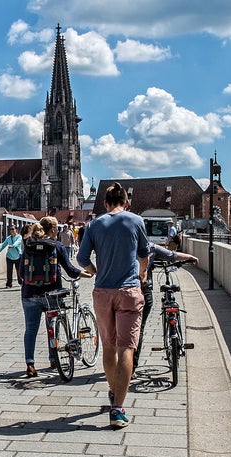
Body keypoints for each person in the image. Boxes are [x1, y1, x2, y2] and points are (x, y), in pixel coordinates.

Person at [76, 182, 150, 429]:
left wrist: (94, 271)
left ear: (105, 204)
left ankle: (112, 390)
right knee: (126, 348)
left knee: (108, 347)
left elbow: (81, 258)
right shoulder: (135, 220)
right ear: (126, 202)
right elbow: (144, 254)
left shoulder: (95, 224)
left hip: (103, 292)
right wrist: (143, 274)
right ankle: (117, 409)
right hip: (129, 291)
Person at [19, 216, 92, 378]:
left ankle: (30, 364)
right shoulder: (57, 246)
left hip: (29, 294)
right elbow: (71, 270)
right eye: (56, 228)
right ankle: (54, 359)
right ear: (52, 229)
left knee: (31, 329)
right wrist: (89, 274)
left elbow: (20, 274)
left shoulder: (28, 246)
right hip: (52, 294)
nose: (58, 230)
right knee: (53, 326)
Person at [134, 245, 198, 374]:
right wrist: (190, 257)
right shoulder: (149, 247)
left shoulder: (121, 245)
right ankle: (131, 369)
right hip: (143, 289)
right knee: (138, 328)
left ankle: (118, 364)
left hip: (118, 289)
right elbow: (172, 255)